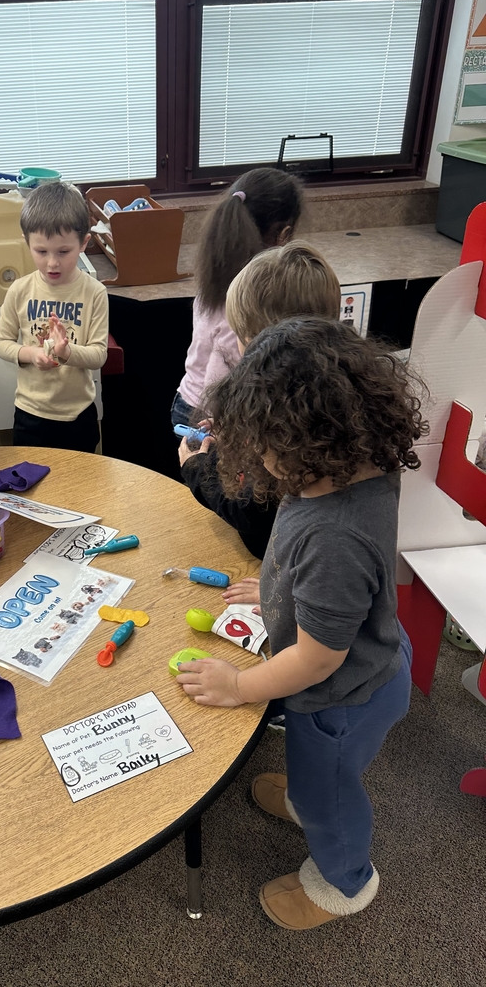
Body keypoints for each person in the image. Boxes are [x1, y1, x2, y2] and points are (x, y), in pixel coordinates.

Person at [177, 317, 426, 930]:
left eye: (264, 445)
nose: (258, 459)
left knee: (330, 796)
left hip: (341, 698)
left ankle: (345, 881)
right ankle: (304, 792)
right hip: (372, 654)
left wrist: (239, 686)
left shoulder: (334, 534)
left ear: (303, 442)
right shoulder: (357, 464)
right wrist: (278, 594)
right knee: (316, 775)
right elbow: (331, 584)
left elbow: (317, 659)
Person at [179, 241, 341, 565]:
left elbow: (253, 513)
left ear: (263, 342)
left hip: (277, 565)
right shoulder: (329, 387)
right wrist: (237, 435)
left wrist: (198, 470)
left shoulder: (282, 416)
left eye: (240, 336)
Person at [170, 168, 304, 430]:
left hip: (190, 399)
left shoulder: (218, 276)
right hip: (208, 416)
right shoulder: (244, 304)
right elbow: (217, 385)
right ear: (284, 235)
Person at [0, 181, 108, 453]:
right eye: (41, 251)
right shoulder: (19, 290)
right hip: (30, 413)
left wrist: (66, 353)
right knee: (30, 479)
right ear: (27, 242)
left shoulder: (94, 292)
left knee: (80, 479)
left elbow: (99, 355)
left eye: (63, 252)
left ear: (84, 243)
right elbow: (1, 343)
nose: (52, 263)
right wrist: (31, 354)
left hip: (78, 414)